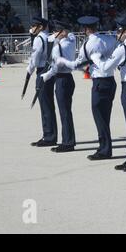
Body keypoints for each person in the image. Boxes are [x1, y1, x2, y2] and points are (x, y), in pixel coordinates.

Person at [90, 17, 126, 171]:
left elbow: (105, 67)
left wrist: (95, 57)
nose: (117, 33)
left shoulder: (123, 48)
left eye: (119, 30)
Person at [57, 16, 118, 161]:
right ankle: (105, 147)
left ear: (85, 29)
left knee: (99, 117)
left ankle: (104, 149)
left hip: (99, 82)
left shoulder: (88, 45)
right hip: (111, 80)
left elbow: (78, 63)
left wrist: (65, 61)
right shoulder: (108, 38)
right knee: (105, 117)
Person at [41, 21, 77, 153]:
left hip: (61, 79)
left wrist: (47, 75)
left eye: (57, 31)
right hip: (68, 79)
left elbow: (57, 67)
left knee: (64, 112)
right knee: (66, 111)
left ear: (63, 32)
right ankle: (68, 140)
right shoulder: (71, 40)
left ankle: (68, 142)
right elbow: (70, 35)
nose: (54, 34)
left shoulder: (59, 47)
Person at [27, 17, 58, 147]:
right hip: (49, 70)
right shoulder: (49, 37)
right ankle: (49, 134)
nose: (32, 28)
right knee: (48, 104)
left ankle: (49, 136)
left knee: (45, 105)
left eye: (34, 26)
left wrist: (29, 69)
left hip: (42, 70)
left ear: (40, 27)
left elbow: (35, 57)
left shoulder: (39, 39)